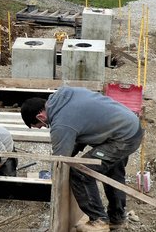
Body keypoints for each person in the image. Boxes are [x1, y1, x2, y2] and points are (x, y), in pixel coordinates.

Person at [21, 87, 142, 232]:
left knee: (80, 172)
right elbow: (81, 128)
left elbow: (60, 159)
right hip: (129, 127)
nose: (42, 128)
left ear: (40, 116)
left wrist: (53, 176)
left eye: (39, 126)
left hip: (121, 138)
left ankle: (99, 221)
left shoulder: (61, 123)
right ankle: (117, 219)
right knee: (113, 174)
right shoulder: (64, 96)